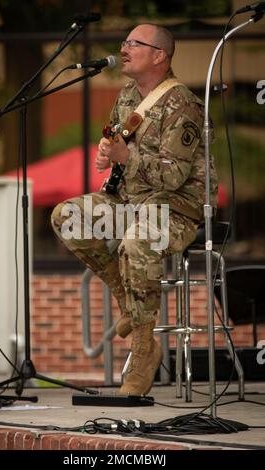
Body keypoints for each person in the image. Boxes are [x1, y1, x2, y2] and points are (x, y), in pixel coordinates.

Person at [51, 24, 218, 396]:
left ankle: (143, 349)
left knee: (137, 241)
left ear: (159, 55)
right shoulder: (128, 94)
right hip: (130, 203)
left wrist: (129, 156)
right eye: (124, 42)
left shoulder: (183, 104)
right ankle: (127, 300)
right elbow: (115, 137)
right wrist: (107, 151)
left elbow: (174, 176)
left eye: (133, 44)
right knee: (67, 217)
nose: (124, 49)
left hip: (176, 210)